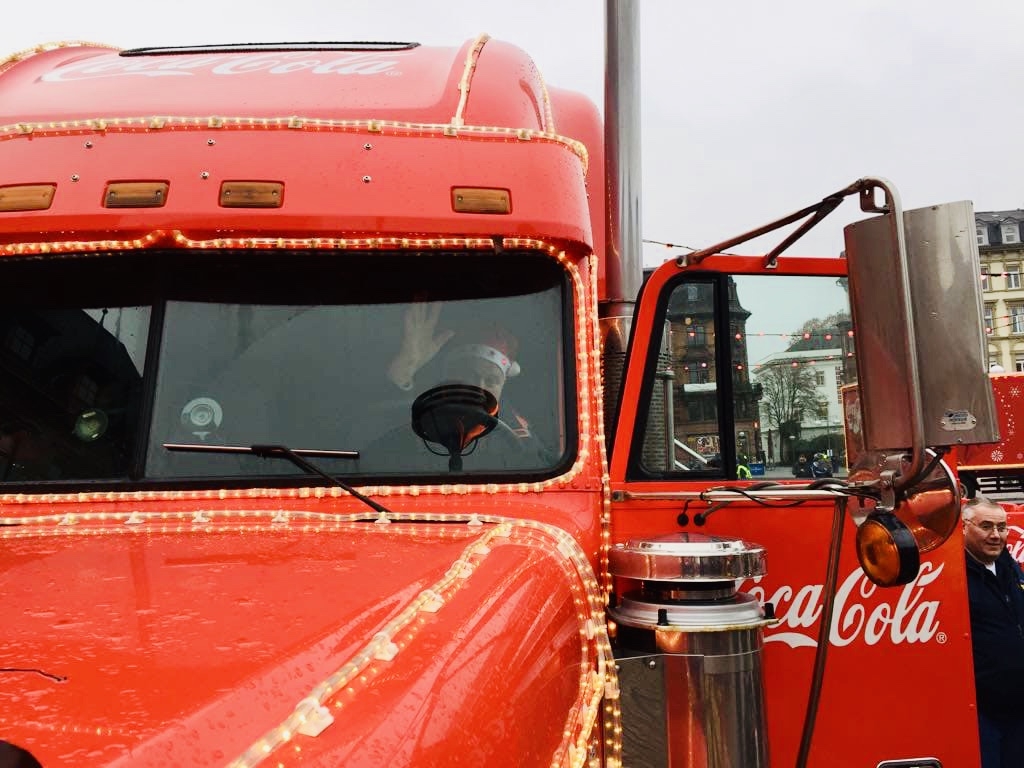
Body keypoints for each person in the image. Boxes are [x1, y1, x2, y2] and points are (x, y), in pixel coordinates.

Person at [962, 495, 1024, 767]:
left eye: (1001, 527)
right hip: (980, 710)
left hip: (1017, 703)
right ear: (963, 527)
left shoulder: (1008, 565)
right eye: (986, 526)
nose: (996, 535)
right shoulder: (953, 573)